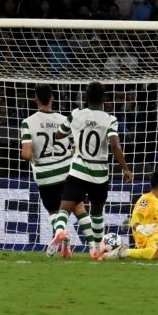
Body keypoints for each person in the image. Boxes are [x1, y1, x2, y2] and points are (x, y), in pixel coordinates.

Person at [46, 81, 133, 259]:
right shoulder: (110, 119)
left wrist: (76, 135)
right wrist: (125, 168)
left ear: (85, 97)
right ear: (104, 99)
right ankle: (96, 250)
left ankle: (61, 231)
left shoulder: (76, 114)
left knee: (64, 209)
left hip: (78, 170)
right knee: (96, 212)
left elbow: (59, 134)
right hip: (99, 175)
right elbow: (114, 143)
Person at [20, 84, 91, 258]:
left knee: (53, 211)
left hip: (45, 175)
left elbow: (27, 154)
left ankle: (62, 235)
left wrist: (35, 155)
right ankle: (96, 246)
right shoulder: (64, 120)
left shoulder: (27, 123)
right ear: (53, 98)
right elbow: (78, 147)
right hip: (67, 172)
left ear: (35, 99)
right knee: (79, 207)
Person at [102, 171, 158, 260]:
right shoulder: (147, 199)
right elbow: (135, 219)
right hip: (151, 238)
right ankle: (124, 252)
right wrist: (140, 228)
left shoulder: (155, 201)